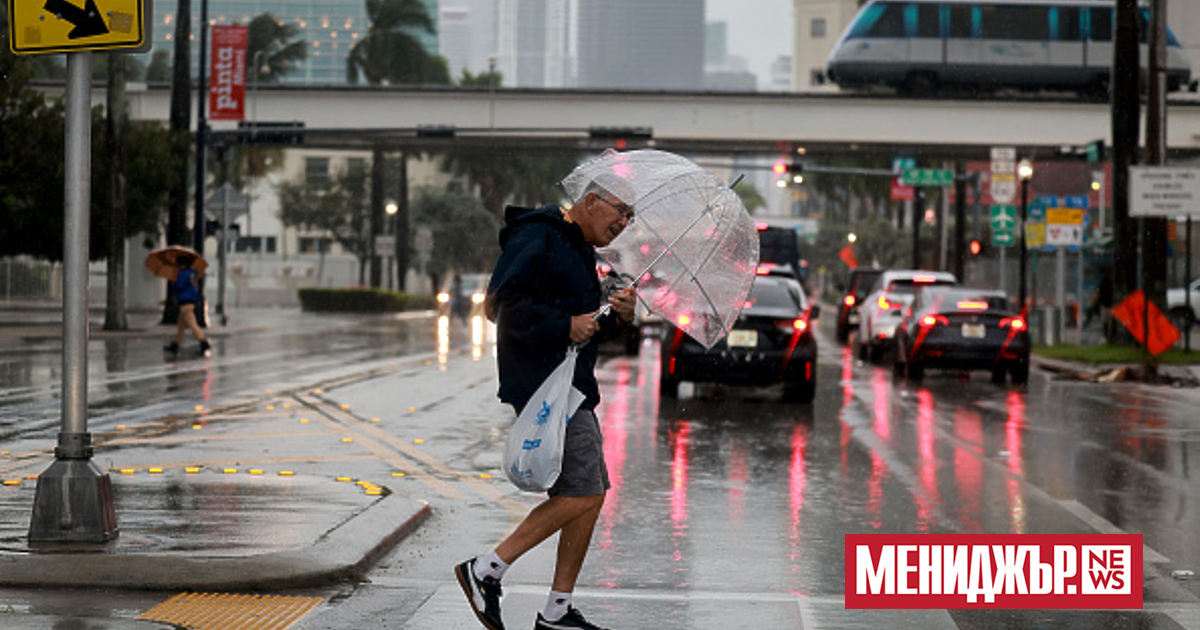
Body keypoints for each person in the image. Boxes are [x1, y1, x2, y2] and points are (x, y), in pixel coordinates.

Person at [456, 180, 637, 630]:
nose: (623, 223)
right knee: (584, 492)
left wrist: (617, 316)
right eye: (620, 211)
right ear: (591, 201)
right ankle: (485, 570)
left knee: (589, 495)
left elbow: (584, 329)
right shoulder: (538, 233)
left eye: (630, 218)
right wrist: (563, 324)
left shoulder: (579, 249)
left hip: (572, 385)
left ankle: (557, 610)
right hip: (545, 387)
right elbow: (500, 305)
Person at [164, 256, 211, 357]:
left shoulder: (183, 274)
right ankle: (175, 345)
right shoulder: (193, 273)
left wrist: (174, 280)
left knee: (193, 325)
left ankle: (204, 343)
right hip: (190, 301)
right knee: (181, 327)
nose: (177, 266)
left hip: (185, 302)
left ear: (183, 264)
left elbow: (177, 286)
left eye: (178, 264)